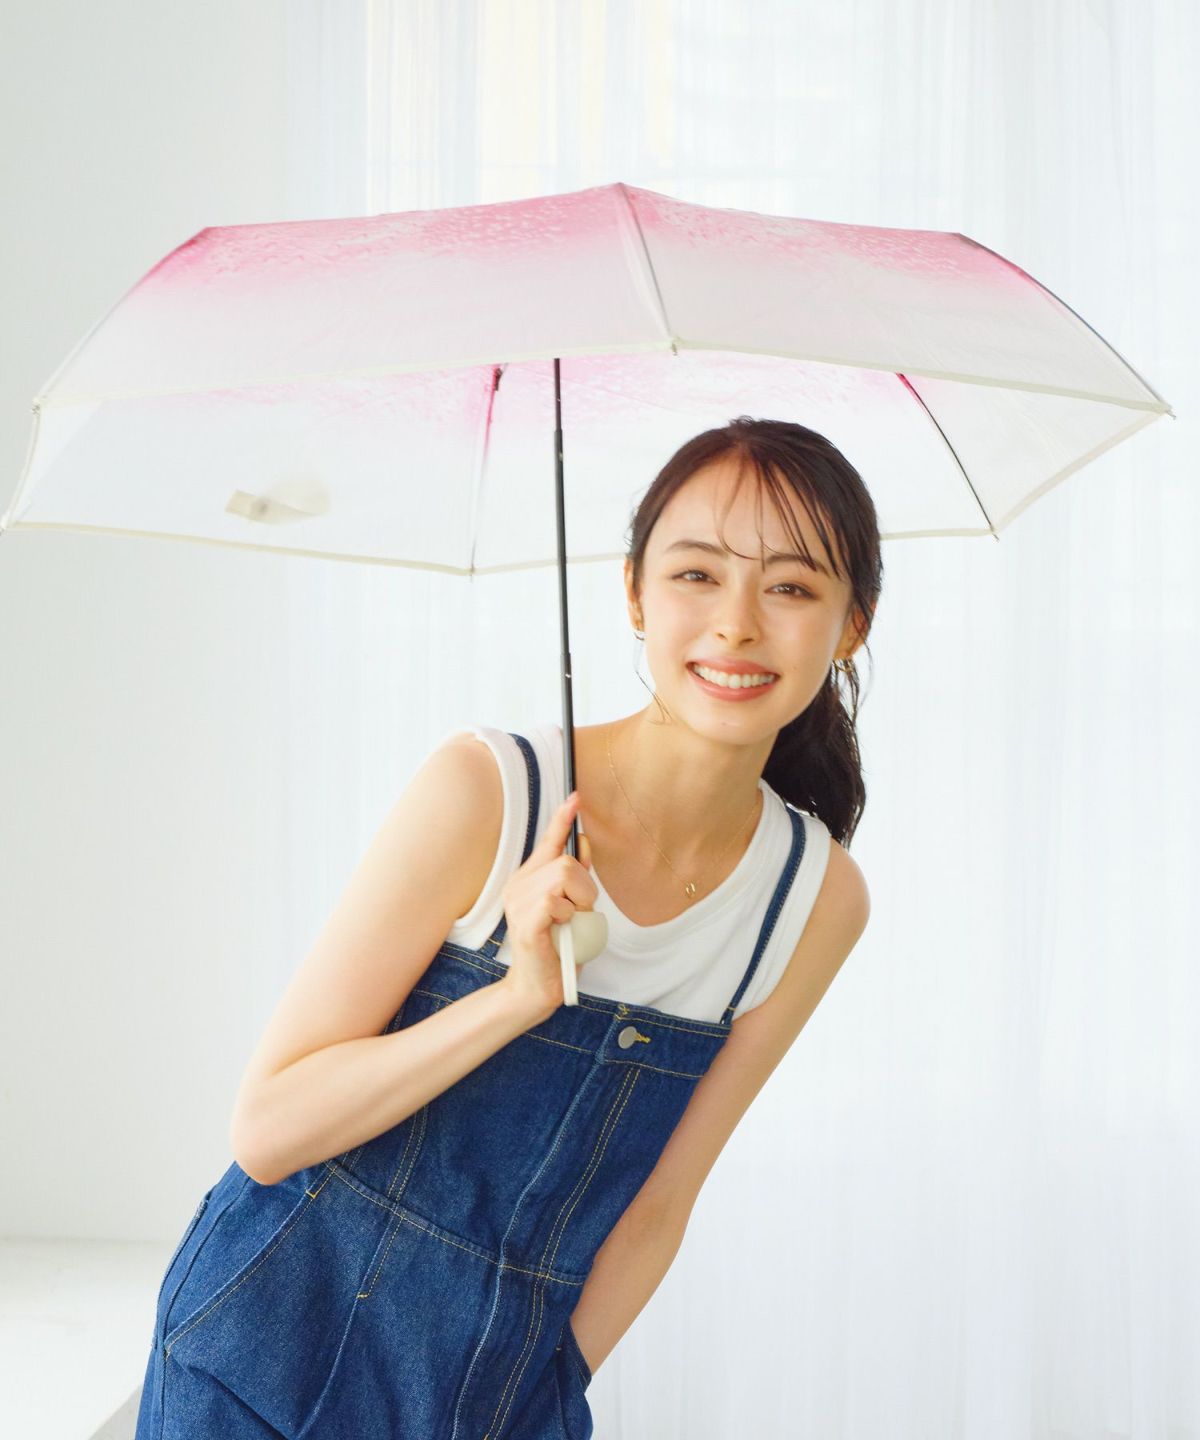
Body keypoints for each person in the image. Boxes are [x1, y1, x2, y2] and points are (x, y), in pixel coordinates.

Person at [135, 416, 879, 1439]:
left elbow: (659, 1207)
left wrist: (550, 1392)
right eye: (696, 575)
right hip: (259, 1356)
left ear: (851, 625)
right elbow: (268, 1132)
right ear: (634, 593)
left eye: (790, 588)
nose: (737, 624)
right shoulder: (490, 792)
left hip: (493, 1398)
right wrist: (514, 998)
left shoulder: (812, 898)